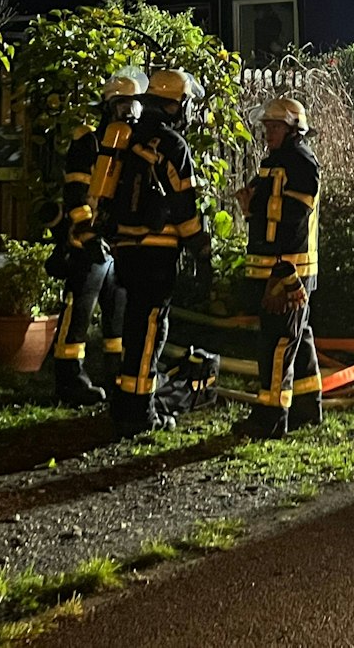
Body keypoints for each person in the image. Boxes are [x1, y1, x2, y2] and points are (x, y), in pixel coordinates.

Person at [105, 69, 210, 437]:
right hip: (156, 253)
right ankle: (139, 412)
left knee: (134, 326)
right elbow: (184, 207)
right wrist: (201, 248)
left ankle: (124, 402)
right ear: (176, 104)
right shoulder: (171, 144)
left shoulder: (128, 135)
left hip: (125, 250)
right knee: (150, 329)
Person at [47, 73, 143, 406]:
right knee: (78, 314)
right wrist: (86, 232)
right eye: (123, 106)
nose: (129, 114)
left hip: (116, 245)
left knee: (118, 317)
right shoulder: (87, 141)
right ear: (108, 107)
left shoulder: (132, 145)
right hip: (86, 246)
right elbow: (75, 191)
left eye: (134, 106)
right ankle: (69, 379)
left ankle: (116, 376)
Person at [235, 97, 322, 439]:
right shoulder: (274, 162)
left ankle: (270, 418)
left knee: (277, 344)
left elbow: (294, 218)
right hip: (275, 266)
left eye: (275, 127)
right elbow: (267, 211)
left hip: (287, 268)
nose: (268, 133)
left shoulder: (301, 162)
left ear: (293, 129)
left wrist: (284, 271)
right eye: (267, 127)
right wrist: (250, 205)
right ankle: (307, 407)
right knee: (297, 338)